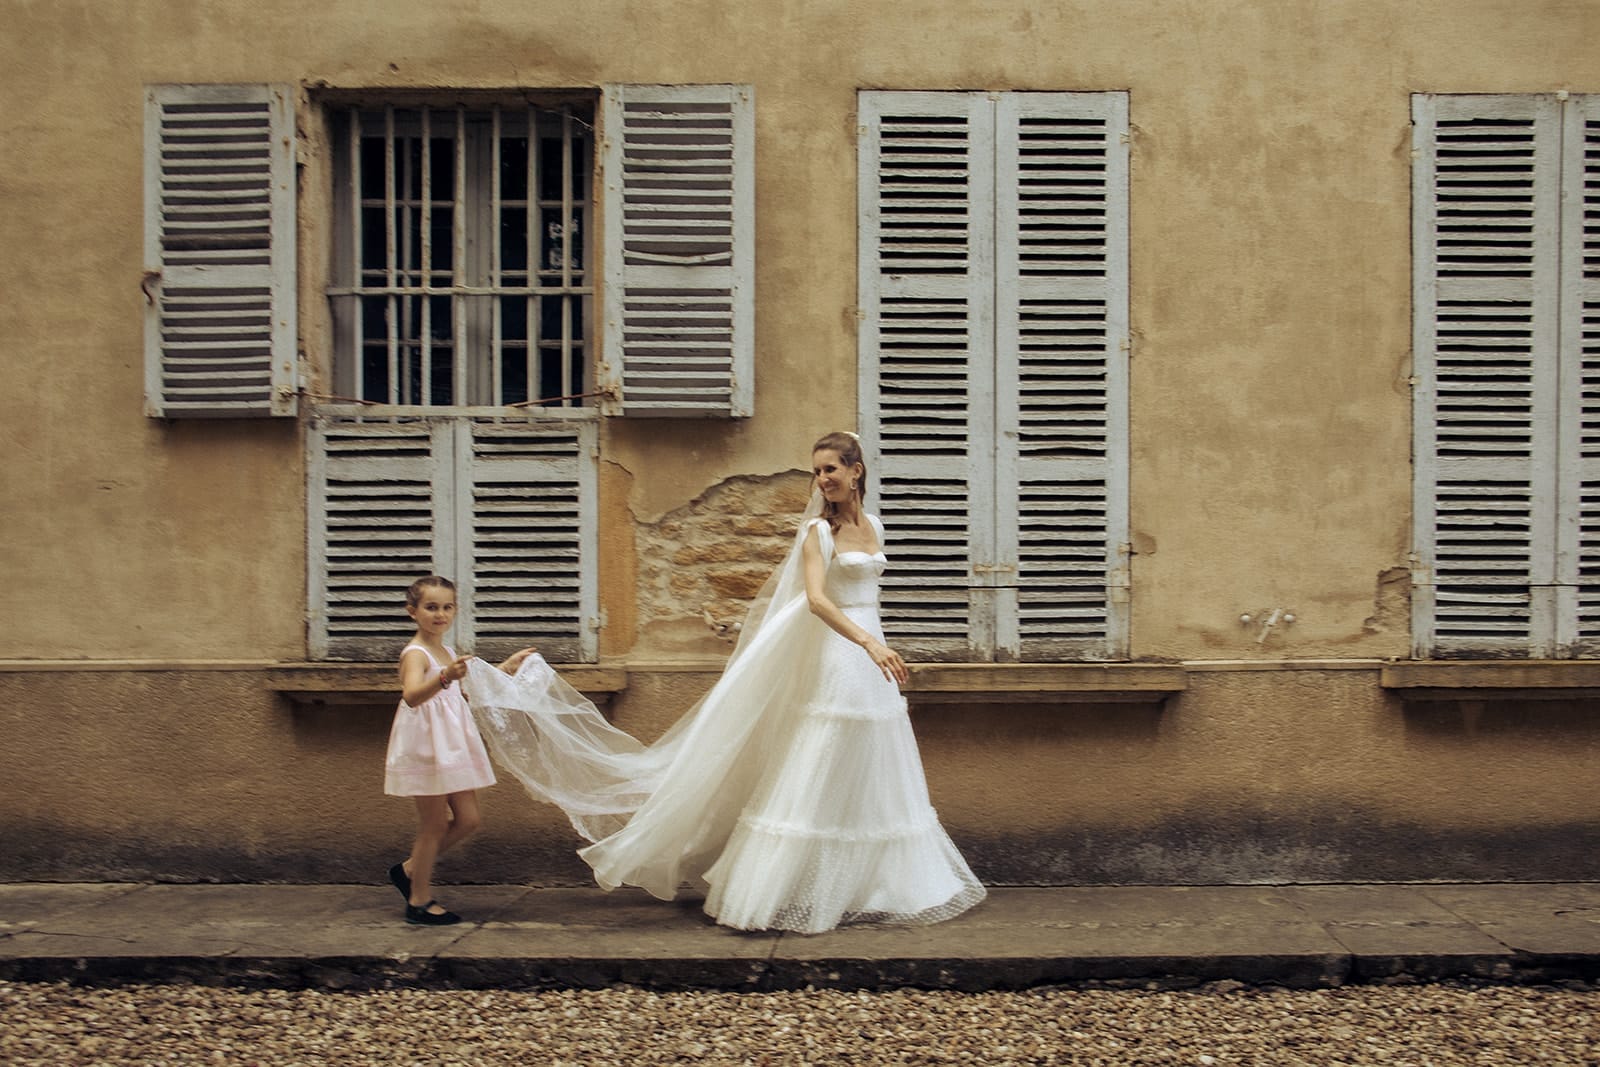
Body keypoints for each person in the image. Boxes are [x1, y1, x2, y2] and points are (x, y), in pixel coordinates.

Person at [467, 432, 986, 933]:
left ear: (856, 471)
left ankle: (871, 885)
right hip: (842, 655)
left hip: (874, 660)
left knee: (873, 763)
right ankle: (789, 886)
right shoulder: (817, 532)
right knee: (822, 759)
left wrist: (877, 645)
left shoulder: (874, 524)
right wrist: (868, 643)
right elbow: (816, 600)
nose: (822, 478)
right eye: (816, 471)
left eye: (830, 468)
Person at [384, 576, 536, 925]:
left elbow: (460, 693)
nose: (440, 614)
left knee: (468, 819)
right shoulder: (415, 654)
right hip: (427, 745)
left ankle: (409, 870)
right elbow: (411, 696)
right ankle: (418, 901)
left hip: (451, 744)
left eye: (447, 607)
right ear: (412, 611)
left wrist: (506, 668)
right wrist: (444, 678)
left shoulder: (448, 652)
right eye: (431, 607)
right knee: (434, 824)